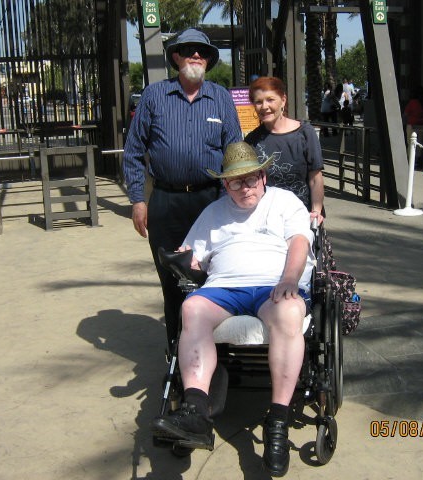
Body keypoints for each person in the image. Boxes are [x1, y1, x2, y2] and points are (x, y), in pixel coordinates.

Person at [151, 142, 314, 477]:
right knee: (192, 308)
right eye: (235, 182)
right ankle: (196, 409)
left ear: (263, 176)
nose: (245, 188)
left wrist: (289, 278)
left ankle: (278, 421)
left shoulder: (284, 202)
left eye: (251, 179)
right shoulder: (213, 213)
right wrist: (185, 259)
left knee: (287, 314)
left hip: (274, 284)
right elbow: (195, 258)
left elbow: (299, 242)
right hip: (224, 286)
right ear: (224, 184)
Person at [123, 28, 242, 348]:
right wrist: (138, 200)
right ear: (176, 57)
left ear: (208, 60)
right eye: (189, 50)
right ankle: (177, 354)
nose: (196, 56)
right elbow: (133, 151)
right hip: (166, 203)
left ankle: (216, 351)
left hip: (212, 202)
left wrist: (237, 203)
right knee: (173, 282)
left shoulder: (220, 97)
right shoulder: (154, 96)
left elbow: (236, 154)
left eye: (202, 52)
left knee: (214, 277)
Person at [244, 76, 325, 225]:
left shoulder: (305, 133)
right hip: (267, 220)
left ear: (283, 100)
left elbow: (315, 178)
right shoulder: (251, 141)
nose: (264, 106)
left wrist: (316, 211)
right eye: (258, 102)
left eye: (270, 99)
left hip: (303, 217)